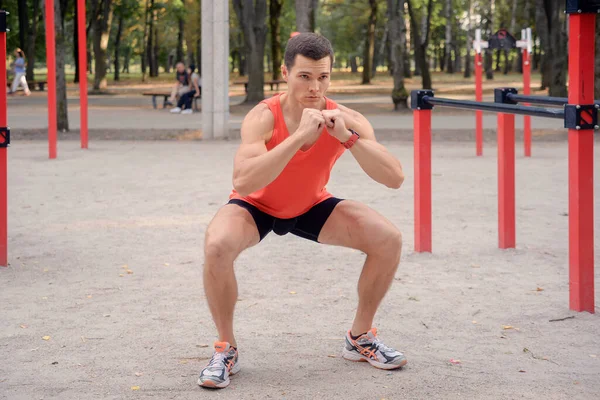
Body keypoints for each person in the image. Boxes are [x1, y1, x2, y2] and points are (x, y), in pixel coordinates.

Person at [198, 33, 406, 390]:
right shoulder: (263, 116)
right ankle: (225, 348)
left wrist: (348, 138)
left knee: (388, 239)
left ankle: (359, 338)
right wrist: (297, 137)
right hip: (256, 205)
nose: (315, 87)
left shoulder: (346, 118)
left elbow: (394, 177)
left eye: (323, 77)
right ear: (285, 73)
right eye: (305, 76)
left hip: (311, 204)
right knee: (217, 245)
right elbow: (244, 181)